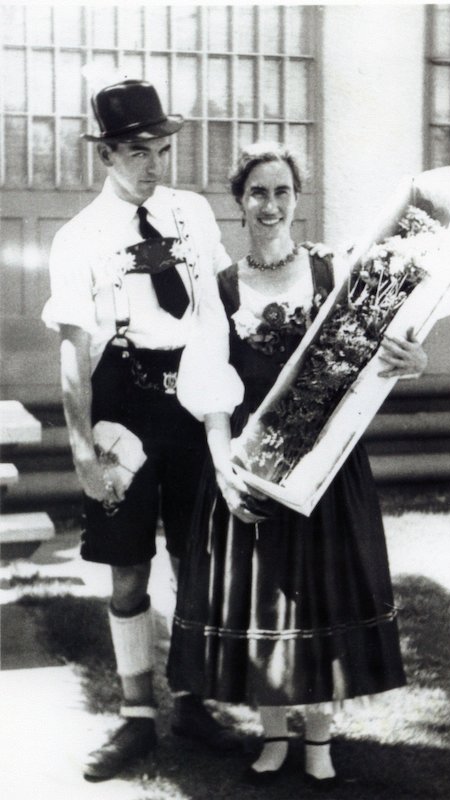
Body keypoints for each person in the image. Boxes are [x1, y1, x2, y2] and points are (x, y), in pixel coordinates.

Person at [168, 142, 428, 788]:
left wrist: (408, 357)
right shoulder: (219, 288)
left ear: (296, 199)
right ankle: (273, 734)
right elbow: (208, 393)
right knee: (264, 604)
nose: (270, 205)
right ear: (239, 201)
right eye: (257, 192)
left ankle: (319, 738)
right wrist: (224, 470)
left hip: (326, 469)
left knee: (319, 600)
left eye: (282, 192)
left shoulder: (331, 271)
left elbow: (389, 344)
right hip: (253, 466)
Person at [41, 78, 245, 782]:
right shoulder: (80, 237)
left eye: (162, 148)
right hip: (121, 403)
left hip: (191, 396)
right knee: (128, 564)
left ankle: (191, 702)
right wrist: (78, 448)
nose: (153, 163)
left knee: (196, 558)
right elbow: (73, 352)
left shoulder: (191, 214)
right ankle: (136, 719)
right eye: (136, 150)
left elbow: (227, 301)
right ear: (105, 154)